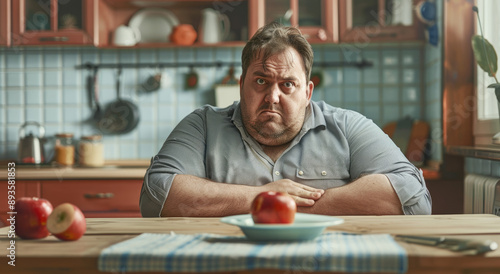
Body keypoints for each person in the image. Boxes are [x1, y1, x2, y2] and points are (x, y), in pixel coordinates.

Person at [139, 22, 432, 217]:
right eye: (262, 81)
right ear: (241, 85)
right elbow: (157, 195)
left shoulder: (348, 126)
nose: (273, 96)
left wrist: (283, 206)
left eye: (287, 84)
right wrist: (260, 196)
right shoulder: (202, 125)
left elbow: (414, 198)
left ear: (308, 92)